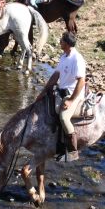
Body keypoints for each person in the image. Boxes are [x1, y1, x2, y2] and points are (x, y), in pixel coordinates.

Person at [35, 31, 86, 162]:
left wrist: (71, 100)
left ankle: (73, 151)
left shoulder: (77, 58)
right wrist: (44, 91)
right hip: (62, 91)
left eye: (62, 40)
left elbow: (81, 81)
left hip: (74, 94)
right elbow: (55, 76)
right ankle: (57, 145)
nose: (60, 42)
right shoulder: (64, 56)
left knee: (64, 117)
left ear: (68, 44)